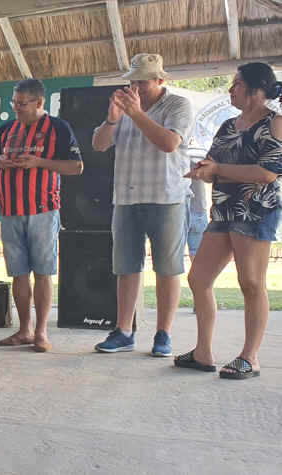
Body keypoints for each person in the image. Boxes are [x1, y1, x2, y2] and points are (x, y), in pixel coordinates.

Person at [177, 62, 282, 379]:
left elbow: (267, 172)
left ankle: (250, 357)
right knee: (199, 279)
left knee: (251, 283)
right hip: (223, 210)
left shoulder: (275, 123)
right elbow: (213, 164)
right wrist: (202, 172)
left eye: (236, 84)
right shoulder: (227, 125)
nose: (230, 90)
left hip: (255, 211)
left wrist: (219, 170)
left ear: (255, 90)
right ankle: (203, 352)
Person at [91, 53, 193, 356]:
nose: (135, 88)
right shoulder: (124, 107)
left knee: (166, 268)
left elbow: (169, 143)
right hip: (126, 197)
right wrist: (113, 118)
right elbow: (98, 144)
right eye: (131, 81)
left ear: (160, 80)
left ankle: (163, 334)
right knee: (126, 267)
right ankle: (124, 331)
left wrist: (135, 114)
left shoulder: (178, 105)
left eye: (143, 82)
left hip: (167, 197)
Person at [0, 78, 83, 353]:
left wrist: (39, 162)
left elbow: (77, 166)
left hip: (43, 210)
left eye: (21, 104)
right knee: (18, 274)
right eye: (13, 103)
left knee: (42, 272)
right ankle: (23, 330)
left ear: (39, 103)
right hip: (10, 210)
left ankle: (41, 332)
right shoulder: (6, 129)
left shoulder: (58, 127)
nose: (16, 108)